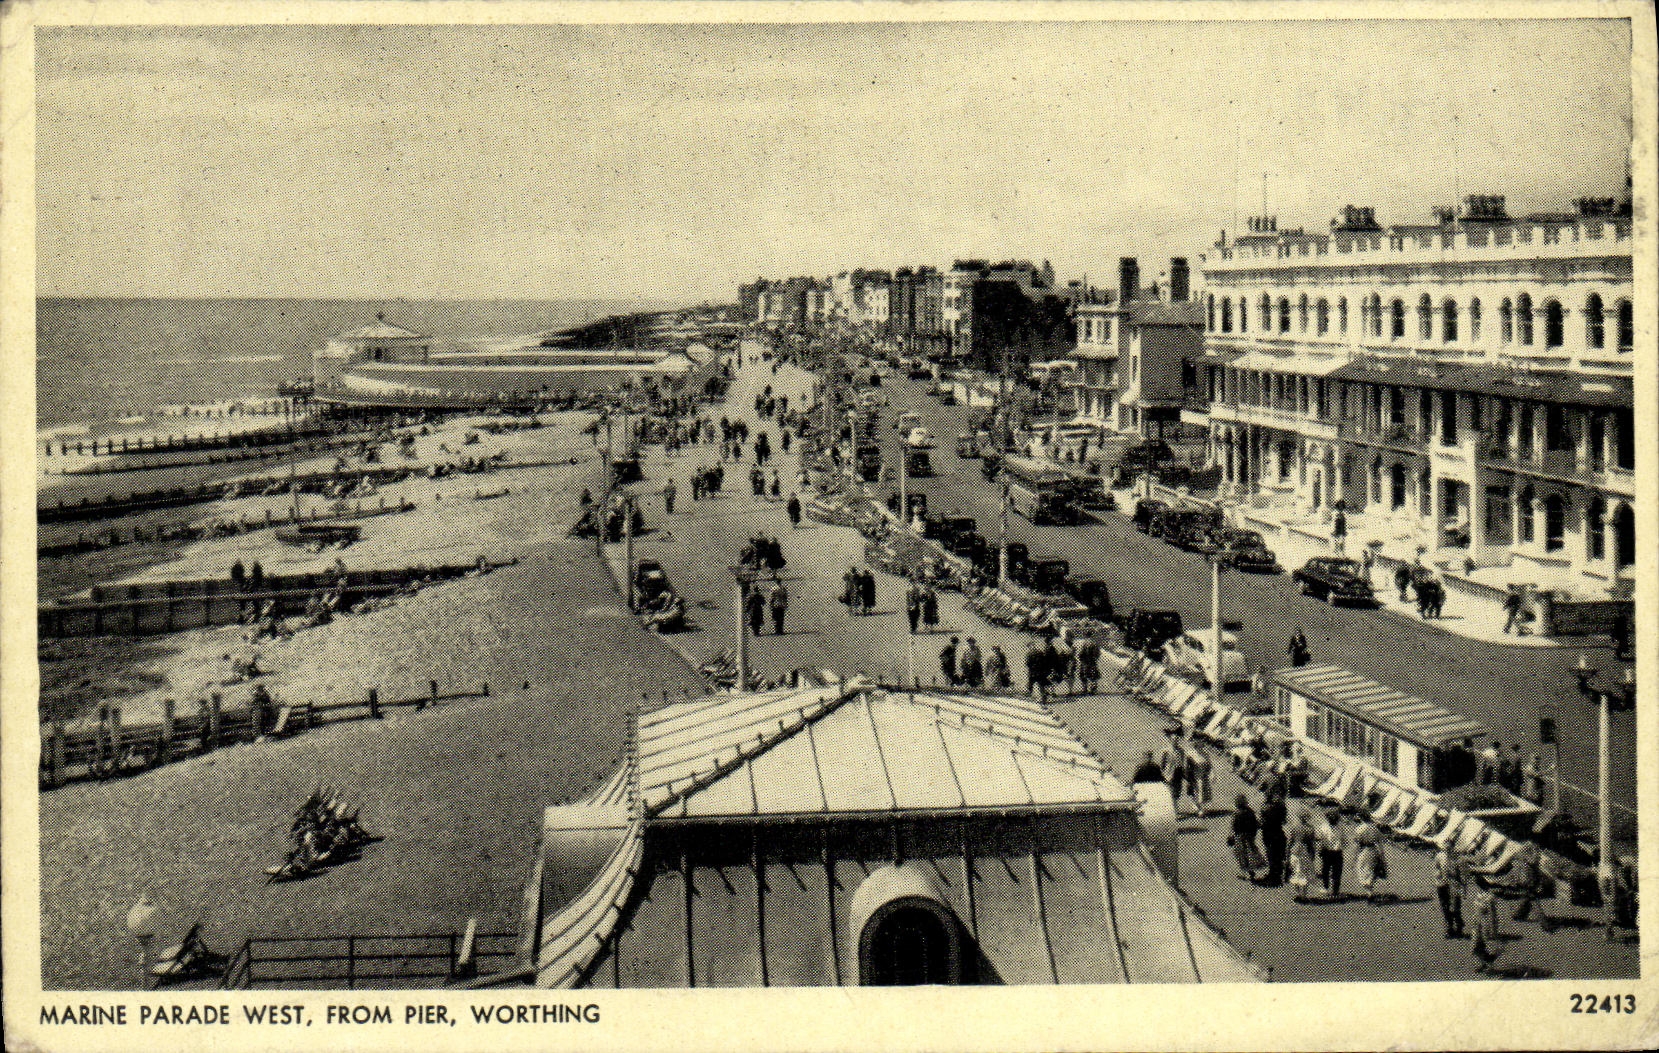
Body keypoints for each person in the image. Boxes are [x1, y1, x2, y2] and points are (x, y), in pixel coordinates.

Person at [1435, 845, 1467, 938]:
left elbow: (1463, 877)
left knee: (1455, 908)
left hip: (1454, 886)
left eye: (1449, 848)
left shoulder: (1459, 859)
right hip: (1442, 885)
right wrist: (1438, 877)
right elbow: (1436, 868)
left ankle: (1459, 928)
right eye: (1445, 848)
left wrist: (1464, 890)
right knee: (1445, 907)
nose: (1447, 850)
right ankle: (1449, 929)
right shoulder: (1440, 856)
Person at [1353, 816, 1388, 903]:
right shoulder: (1375, 829)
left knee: (1361, 869)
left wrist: (1354, 855)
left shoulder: (1359, 829)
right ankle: (1370, 892)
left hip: (1363, 851)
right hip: (1373, 850)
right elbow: (1380, 843)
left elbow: (1357, 844)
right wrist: (1382, 857)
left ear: (1362, 819)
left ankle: (1368, 889)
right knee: (1371, 870)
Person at [1286, 809, 1318, 902]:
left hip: (1295, 851)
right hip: (1305, 852)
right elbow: (1312, 844)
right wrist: (1313, 854)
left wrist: (1287, 854)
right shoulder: (1310, 829)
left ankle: (1297, 893)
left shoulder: (1294, 827)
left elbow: (1290, 842)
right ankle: (1303, 895)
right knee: (1304, 873)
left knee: (1296, 872)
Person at [1229, 794, 1262, 882]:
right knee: (1250, 852)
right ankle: (1250, 872)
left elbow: (1233, 826)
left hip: (1240, 837)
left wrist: (1231, 836)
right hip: (1250, 836)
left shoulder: (1236, 813)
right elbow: (1256, 824)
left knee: (1241, 854)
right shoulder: (1250, 811)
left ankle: (1246, 872)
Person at [1260, 792, 1289, 887]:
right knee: (1278, 856)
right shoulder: (1280, 809)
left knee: (1271, 856)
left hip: (1269, 835)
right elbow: (1284, 821)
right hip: (1279, 834)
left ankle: (1274, 878)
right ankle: (1278, 875)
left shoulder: (1266, 808)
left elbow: (1262, 822)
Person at [1316, 807, 1346, 898]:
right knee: (1336, 872)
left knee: (1326, 870)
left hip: (1327, 852)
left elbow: (1319, 839)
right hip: (1336, 852)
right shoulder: (1341, 827)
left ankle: (1326, 888)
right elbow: (1345, 841)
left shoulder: (1323, 826)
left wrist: (1319, 849)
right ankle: (1335, 890)